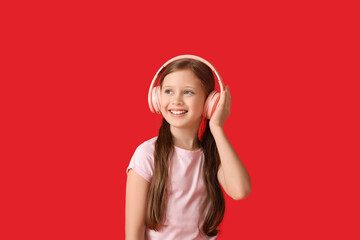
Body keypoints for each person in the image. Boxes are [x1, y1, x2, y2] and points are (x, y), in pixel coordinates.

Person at [125, 55, 251, 240]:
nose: (176, 100)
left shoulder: (212, 156)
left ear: (210, 102)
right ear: (157, 98)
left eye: (188, 92)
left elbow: (240, 191)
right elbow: (133, 234)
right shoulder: (146, 154)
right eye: (168, 91)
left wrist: (217, 127)